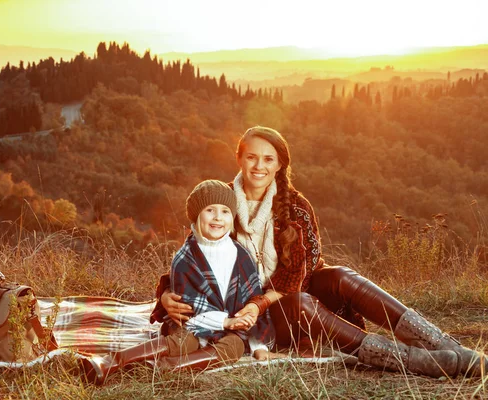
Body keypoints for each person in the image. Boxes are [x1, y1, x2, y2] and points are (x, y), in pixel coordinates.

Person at [151, 126, 487, 378]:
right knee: (300, 303)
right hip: (254, 317)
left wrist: (260, 300)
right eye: (251, 157)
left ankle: (440, 344)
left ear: (280, 164)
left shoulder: (294, 206)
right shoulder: (218, 202)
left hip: (281, 296)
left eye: (268, 159)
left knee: (340, 275)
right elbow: (191, 255)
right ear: (239, 157)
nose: (259, 166)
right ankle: (405, 359)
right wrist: (166, 294)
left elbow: (300, 272)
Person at [82, 179, 275, 384]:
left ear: (232, 216)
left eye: (225, 211)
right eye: (210, 210)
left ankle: (164, 368)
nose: (218, 217)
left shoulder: (241, 255)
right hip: (192, 326)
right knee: (182, 341)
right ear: (196, 214)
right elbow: (188, 311)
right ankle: (110, 362)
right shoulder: (185, 258)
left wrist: (257, 344)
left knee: (234, 347)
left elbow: (253, 300)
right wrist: (225, 321)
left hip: (232, 331)